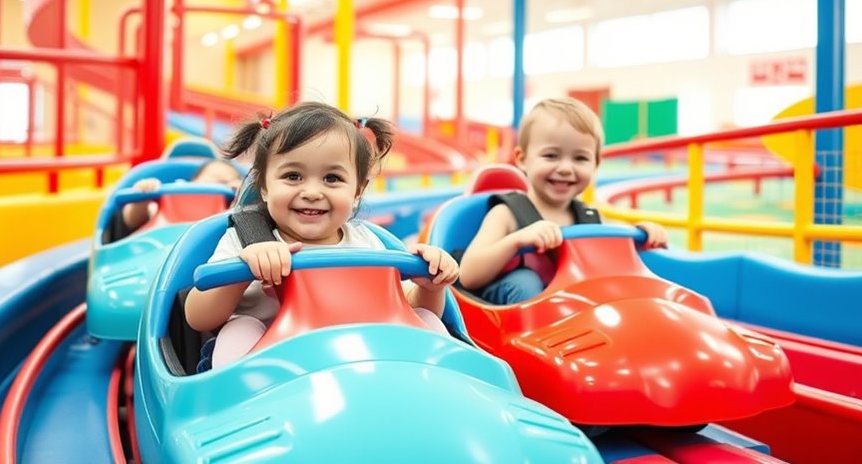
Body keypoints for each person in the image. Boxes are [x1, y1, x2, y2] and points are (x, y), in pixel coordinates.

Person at [185, 102, 459, 369]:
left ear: (357, 192)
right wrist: (244, 270)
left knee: (425, 318)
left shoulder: (367, 244)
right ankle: (238, 402)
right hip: (278, 372)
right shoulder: (245, 240)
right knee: (240, 328)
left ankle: (441, 384)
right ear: (265, 187)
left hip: (353, 364)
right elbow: (198, 318)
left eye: (332, 179)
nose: (312, 192)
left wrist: (430, 287)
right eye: (293, 176)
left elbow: (405, 309)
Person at [458, 97, 669, 305]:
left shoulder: (590, 219)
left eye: (580, 158)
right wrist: (517, 240)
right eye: (551, 156)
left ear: (595, 164)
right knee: (525, 281)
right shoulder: (507, 213)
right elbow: (468, 274)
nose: (566, 168)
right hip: (513, 316)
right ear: (522, 159)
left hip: (568, 316)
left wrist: (642, 234)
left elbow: (617, 246)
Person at [120, 158, 243, 233]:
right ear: (194, 180)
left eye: (227, 183)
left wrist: (242, 196)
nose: (221, 186)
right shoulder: (173, 193)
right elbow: (131, 221)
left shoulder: (228, 207)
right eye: (216, 179)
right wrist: (143, 194)